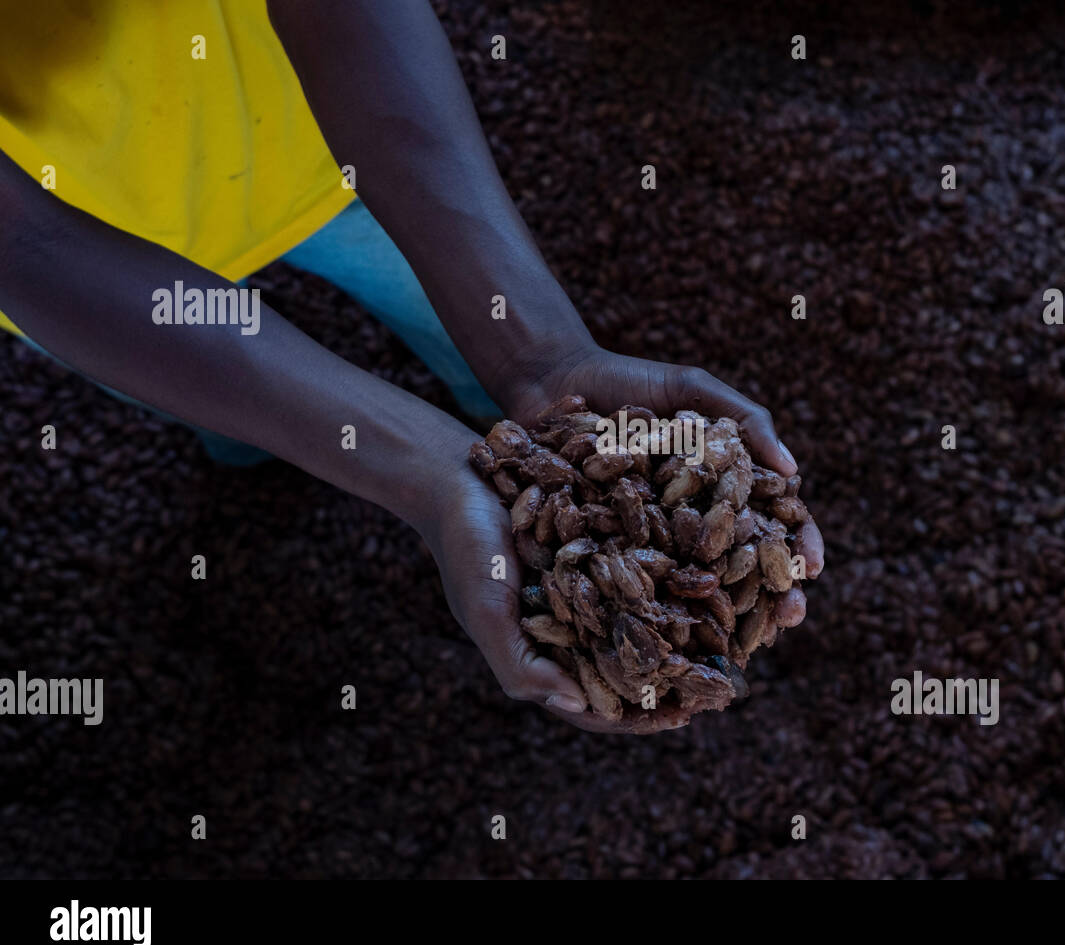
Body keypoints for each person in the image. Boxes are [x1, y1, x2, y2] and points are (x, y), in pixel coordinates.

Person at [0, 0, 823, 732]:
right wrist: (421, 476)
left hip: (320, 136)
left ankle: (489, 412)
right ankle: (251, 450)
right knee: (218, 403)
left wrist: (543, 356)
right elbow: (24, 245)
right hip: (85, 266)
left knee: (460, 330)